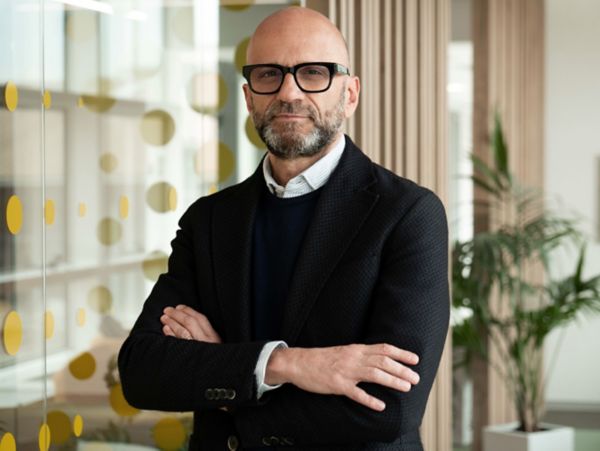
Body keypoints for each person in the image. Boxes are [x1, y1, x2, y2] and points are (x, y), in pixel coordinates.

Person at [118, 7, 449, 451]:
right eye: (269, 74)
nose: (289, 92)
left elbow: (389, 407)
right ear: (249, 96)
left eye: (313, 73)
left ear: (350, 94)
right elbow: (142, 371)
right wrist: (285, 365)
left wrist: (230, 382)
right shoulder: (208, 220)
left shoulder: (407, 214)